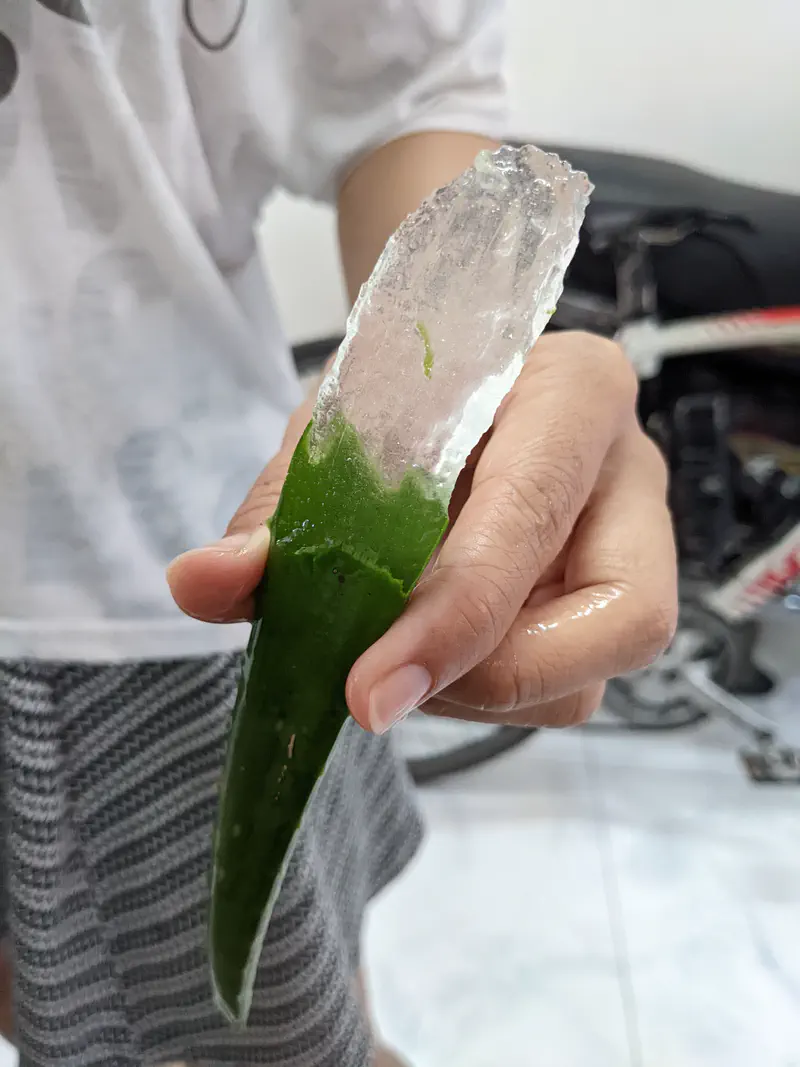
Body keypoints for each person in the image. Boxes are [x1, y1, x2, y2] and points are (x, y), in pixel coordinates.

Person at [0, 1, 677, 1065]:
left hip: (180, 594)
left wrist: (484, 381)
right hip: (197, 576)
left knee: (281, 1032)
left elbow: (401, 99)